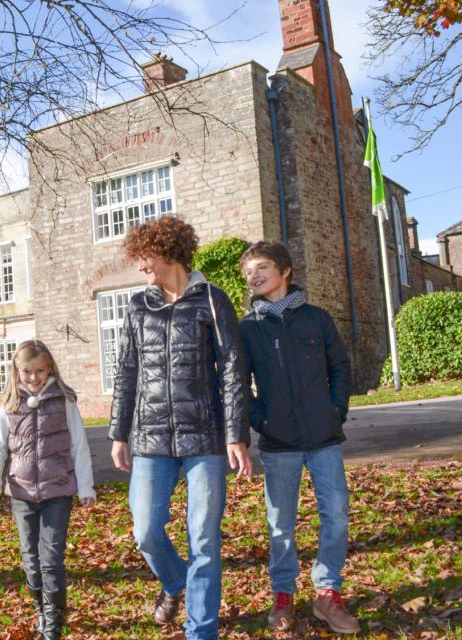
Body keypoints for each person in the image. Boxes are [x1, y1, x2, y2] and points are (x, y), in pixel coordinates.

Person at [108, 216, 250, 640]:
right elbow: (126, 371)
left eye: (144, 257)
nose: (140, 267)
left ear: (168, 252)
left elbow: (232, 369)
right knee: (146, 532)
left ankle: (200, 630)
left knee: (203, 539)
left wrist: (235, 434)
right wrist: (118, 433)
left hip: (204, 437)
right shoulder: (139, 306)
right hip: (151, 440)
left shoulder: (212, 300)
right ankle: (175, 583)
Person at [239, 240, 359, 635]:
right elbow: (239, 387)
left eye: (261, 268)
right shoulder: (248, 328)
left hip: (324, 438)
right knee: (281, 524)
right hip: (279, 445)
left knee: (336, 514)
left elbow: (340, 367)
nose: (253, 276)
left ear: (285, 270)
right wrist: (264, 421)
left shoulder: (317, 319)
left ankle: (327, 592)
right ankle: (283, 595)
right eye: (248, 272)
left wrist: (335, 409)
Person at [0, 339, 95, 640]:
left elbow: (79, 447)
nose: (34, 378)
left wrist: (86, 487)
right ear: (17, 373)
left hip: (58, 490)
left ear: (50, 369)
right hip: (21, 494)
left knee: (52, 556)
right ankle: (41, 608)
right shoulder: (9, 406)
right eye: (27, 372)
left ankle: (54, 620)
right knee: (31, 559)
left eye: (40, 371)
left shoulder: (64, 401)